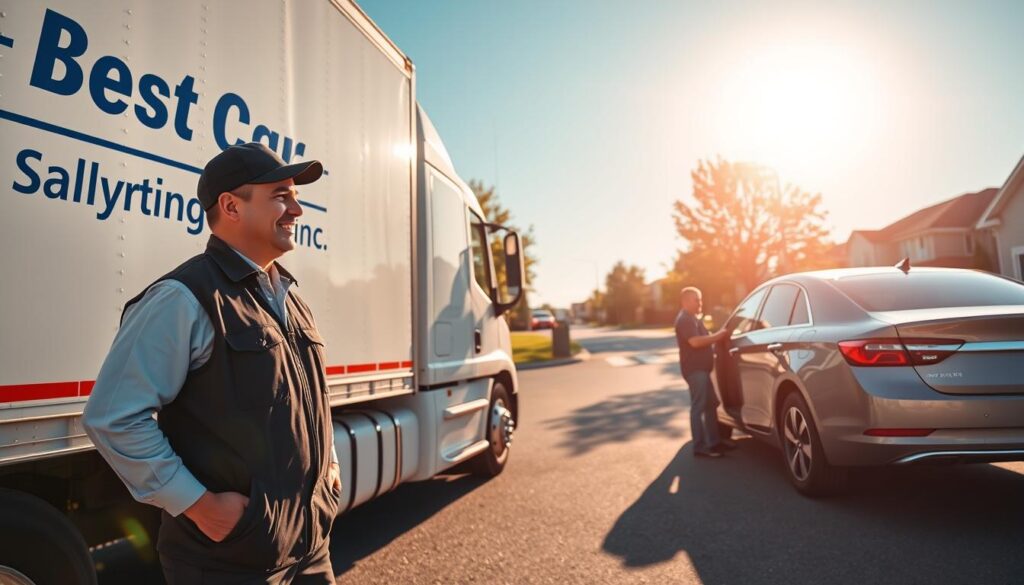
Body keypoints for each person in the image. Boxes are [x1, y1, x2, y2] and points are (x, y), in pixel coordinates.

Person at [84, 143, 341, 584]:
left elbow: (310, 399)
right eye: (281, 195)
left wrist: (329, 472)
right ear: (230, 206)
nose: (297, 209)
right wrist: (202, 507)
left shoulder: (292, 298)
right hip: (229, 563)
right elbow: (114, 418)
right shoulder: (183, 298)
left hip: (310, 551)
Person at [674, 286, 735, 458]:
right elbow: (695, 342)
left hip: (702, 369)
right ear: (686, 301)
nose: (700, 303)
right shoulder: (685, 319)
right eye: (697, 300)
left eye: (700, 299)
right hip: (695, 370)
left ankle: (714, 442)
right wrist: (719, 336)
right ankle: (700, 447)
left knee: (711, 404)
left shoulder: (693, 318)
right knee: (699, 407)